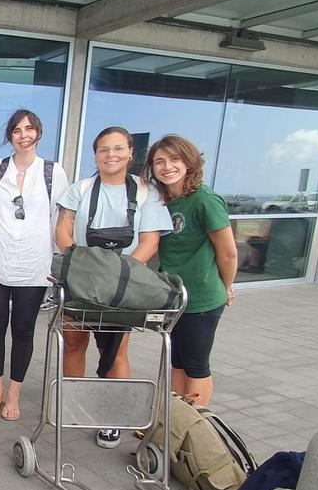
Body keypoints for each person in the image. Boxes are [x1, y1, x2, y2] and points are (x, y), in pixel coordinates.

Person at [56, 125, 172, 448]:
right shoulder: (80, 190)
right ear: (95, 154)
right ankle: (74, 405)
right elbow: (63, 231)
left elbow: (149, 242)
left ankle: (112, 416)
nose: (111, 155)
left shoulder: (148, 193)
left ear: (130, 153)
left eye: (118, 148)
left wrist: (119, 278)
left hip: (126, 285)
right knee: (74, 341)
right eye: (104, 149)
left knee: (116, 350)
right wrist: (79, 268)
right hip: (82, 281)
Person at [0, 109, 70, 421]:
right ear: (9, 136)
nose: (23, 135)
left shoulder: (53, 172)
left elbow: (61, 223)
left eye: (29, 129)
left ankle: (14, 393)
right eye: (16, 130)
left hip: (34, 268)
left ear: (37, 132)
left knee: (24, 331)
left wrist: (65, 264)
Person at [144, 135, 237, 406]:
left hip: (203, 299)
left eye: (174, 159)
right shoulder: (162, 200)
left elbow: (228, 252)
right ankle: (174, 422)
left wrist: (226, 287)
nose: (167, 166)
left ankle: (195, 429)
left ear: (189, 162)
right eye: (159, 161)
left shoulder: (205, 200)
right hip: (175, 298)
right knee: (177, 363)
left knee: (196, 364)